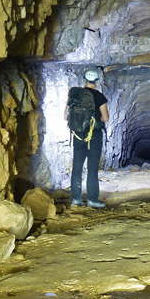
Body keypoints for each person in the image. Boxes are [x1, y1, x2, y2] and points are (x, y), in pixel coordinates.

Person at [68, 68, 109, 209]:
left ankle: (76, 199)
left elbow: (65, 115)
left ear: (84, 81)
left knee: (77, 167)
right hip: (94, 136)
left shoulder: (76, 95)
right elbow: (105, 118)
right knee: (92, 168)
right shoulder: (98, 96)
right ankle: (92, 199)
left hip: (78, 134)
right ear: (96, 82)